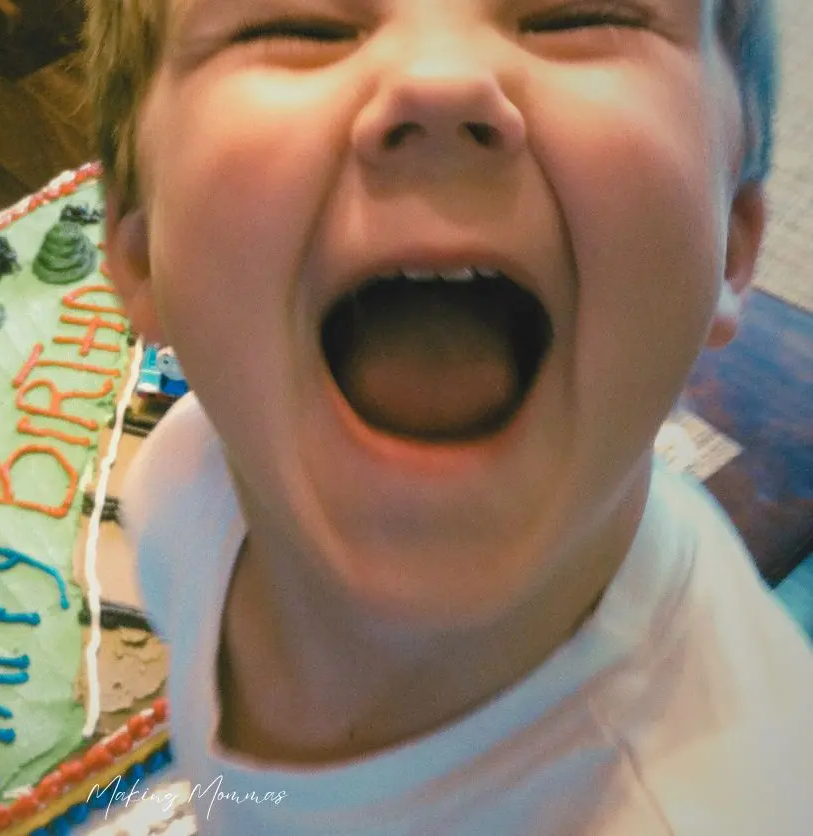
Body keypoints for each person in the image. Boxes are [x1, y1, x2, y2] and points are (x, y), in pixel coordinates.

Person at [85, 1, 813, 833]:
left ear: (731, 247)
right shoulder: (179, 492)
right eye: (297, 25)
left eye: (574, 13)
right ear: (140, 258)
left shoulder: (737, 803)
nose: (438, 83)